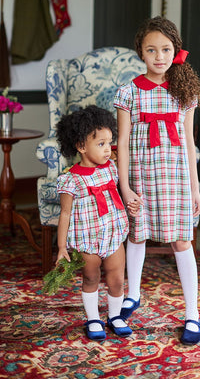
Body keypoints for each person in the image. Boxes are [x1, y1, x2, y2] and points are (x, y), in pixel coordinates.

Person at [114, 16, 200, 345]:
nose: (159, 56)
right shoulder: (128, 92)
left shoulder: (184, 92)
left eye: (166, 49)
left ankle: (192, 313)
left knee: (181, 241)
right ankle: (132, 294)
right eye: (151, 50)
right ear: (140, 52)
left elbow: (190, 143)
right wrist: (124, 187)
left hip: (176, 180)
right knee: (137, 237)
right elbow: (121, 143)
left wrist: (195, 189)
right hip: (140, 179)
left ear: (175, 51)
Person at [56, 105, 139, 341]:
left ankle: (115, 316)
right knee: (91, 278)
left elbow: (122, 194)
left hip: (113, 235)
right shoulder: (69, 179)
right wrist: (62, 247)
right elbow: (64, 213)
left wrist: (131, 203)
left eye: (109, 142)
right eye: (100, 144)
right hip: (87, 239)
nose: (107, 149)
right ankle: (93, 318)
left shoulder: (111, 169)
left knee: (116, 278)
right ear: (81, 146)